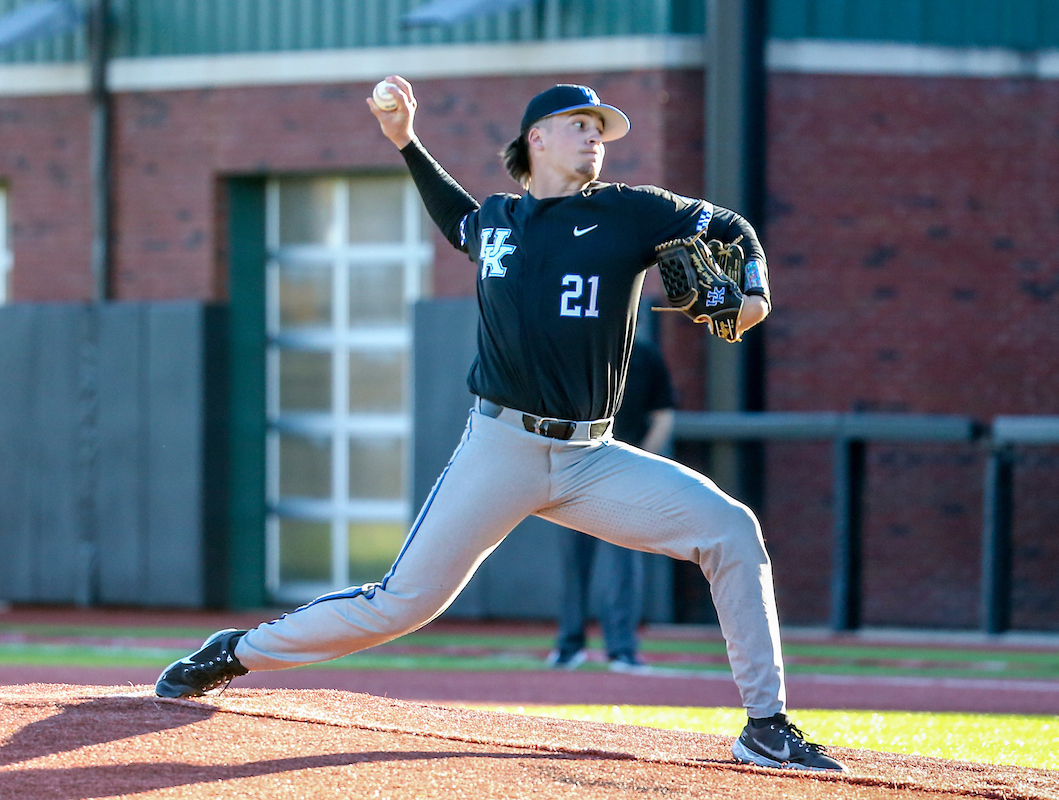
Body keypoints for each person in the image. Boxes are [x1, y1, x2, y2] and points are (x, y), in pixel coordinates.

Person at [155, 78, 845, 773]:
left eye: (600, 127)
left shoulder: (633, 213)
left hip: (592, 459)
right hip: (501, 449)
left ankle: (765, 724)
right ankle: (235, 652)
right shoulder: (496, 223)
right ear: (536, 138)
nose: (596, 135)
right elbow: (455, 216)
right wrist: (406, 143)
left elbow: (734, 229)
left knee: (731, 530)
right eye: (580, 123)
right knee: (400, 606)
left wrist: (753, 292)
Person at [546, 336, 675, 672]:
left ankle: (622, 649)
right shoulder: (577, 351)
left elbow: (663, 416)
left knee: (624, 564)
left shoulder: (645, 355)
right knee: (574, 561)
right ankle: (569, 645)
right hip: (578, 469)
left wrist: (642, 461)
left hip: (625, 475)